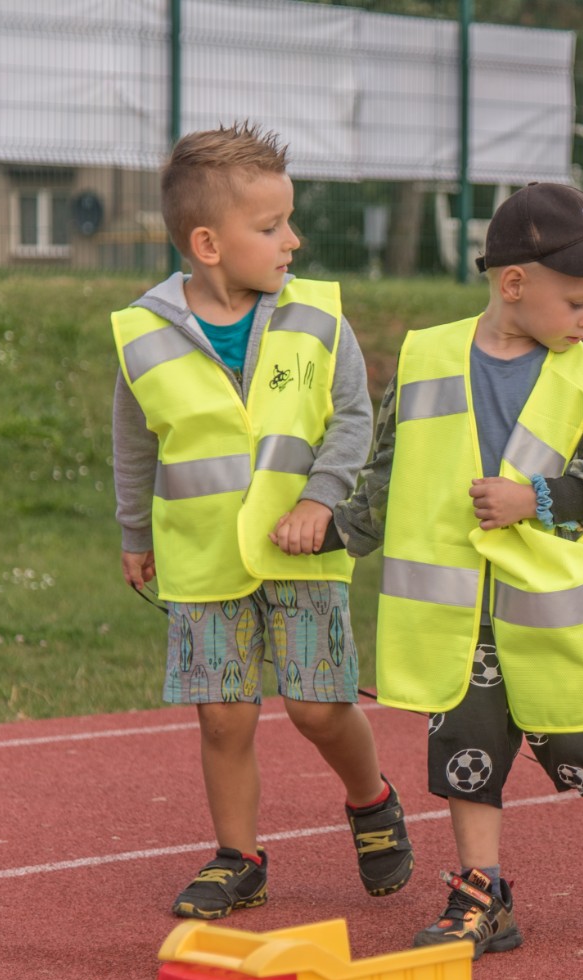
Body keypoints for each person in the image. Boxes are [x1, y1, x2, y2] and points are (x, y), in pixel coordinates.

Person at [325, 183, 583, 957]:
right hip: (458, 616)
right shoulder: (427, 357)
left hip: (551, 612)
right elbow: (387, 469)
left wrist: (535, 498)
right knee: (464, 753)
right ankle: (483, 893)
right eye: (578, 301)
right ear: (514, 283)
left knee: (582, 750)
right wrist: (333, 533)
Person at [111, 122, 413, 918]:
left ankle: (372, 799)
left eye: (289, 221)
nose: (293, 240)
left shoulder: (319, 317)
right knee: (222, 718)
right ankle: (238, 857)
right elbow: (135, 442)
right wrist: (134, 533)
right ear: (208, 244)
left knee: (318, 707)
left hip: (303, 550)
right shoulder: (142, 334)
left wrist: (320, 500)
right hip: (202, 558)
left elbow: (353, 418)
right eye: (272, 226)